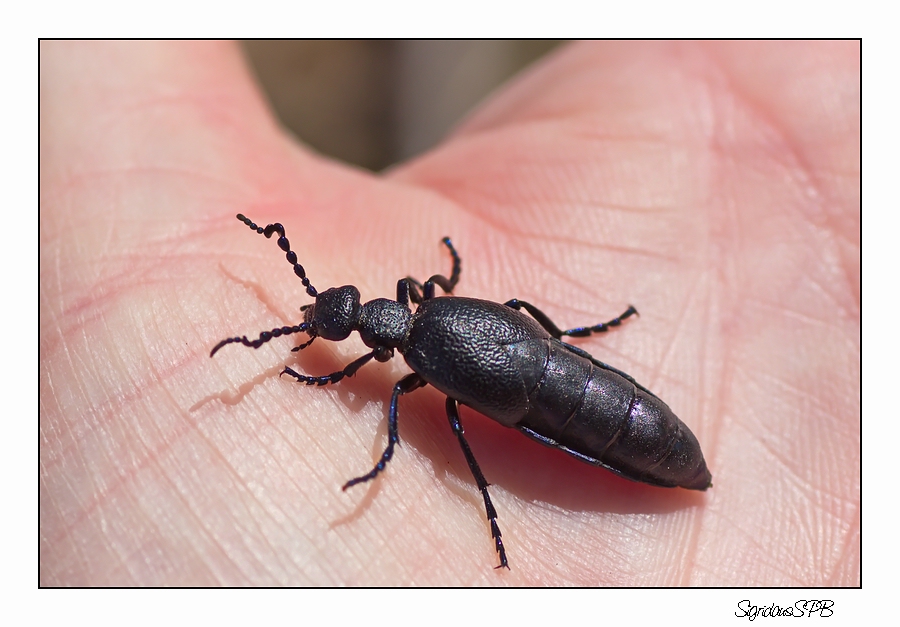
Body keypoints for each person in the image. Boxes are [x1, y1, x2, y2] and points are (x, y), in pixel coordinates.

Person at [40, 40, 859, 586]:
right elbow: (471, 331)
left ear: (361, 323)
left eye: (338, 324)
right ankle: (575, 350)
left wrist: (377, 419)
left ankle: (569, 358)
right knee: (517, 377)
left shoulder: (406, 364)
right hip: (578, 386)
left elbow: (427, 370)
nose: (343, 332)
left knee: (481, 406)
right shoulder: (413, 334)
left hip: (569, 388)